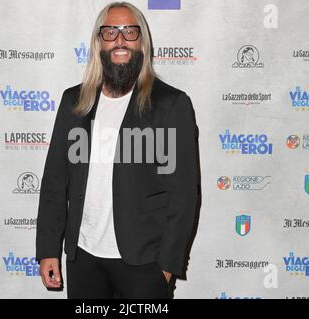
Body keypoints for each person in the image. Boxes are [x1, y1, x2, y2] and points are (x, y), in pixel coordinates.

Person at [36, 1, 201, 299]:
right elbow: (54, 183)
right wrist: (48, 249)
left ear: (142, 42)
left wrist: (166, 266)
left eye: (129, 32)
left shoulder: (170, 105)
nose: (120, 39)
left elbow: (184, 195)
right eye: (111, 32)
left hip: (144, 262)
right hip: (83, 256)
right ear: (99, 42)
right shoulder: (74, 102)